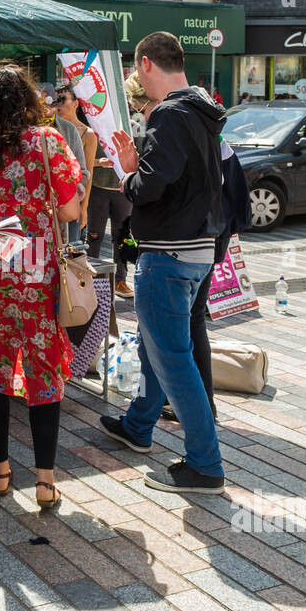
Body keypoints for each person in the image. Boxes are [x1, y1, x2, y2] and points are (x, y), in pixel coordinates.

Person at [102, 32, 228, 494]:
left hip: (169, 253)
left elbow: (150, 187)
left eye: (135, 71)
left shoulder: (171, 113)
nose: (136, 79)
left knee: (173, 358)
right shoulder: (201, 110)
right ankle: (138, 426)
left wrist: (130, 173)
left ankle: (205, 464)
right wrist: (141, 165)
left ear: (147, 63)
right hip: (196, 250)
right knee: (160, 349)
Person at [0, 64, 82, 510]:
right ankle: (46, 481)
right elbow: (70, 212)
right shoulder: (46, 142)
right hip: (35, 269)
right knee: (42, 370)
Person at [83, 79, 137, 298]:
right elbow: (83, 157)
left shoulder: (133, 124)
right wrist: (97, 163)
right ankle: (91, 280)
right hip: (98, 186)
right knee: (94, 236)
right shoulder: (93, 122)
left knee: (122, 237)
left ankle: (120, 280)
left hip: (123, 188)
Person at [39, 83, 90, 245]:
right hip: (34, 211)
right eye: (41, 107)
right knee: (35, 258)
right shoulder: (23, 131)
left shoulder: (68, 130)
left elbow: (83, 171)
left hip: (64, 209)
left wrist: (76, 190)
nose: (46, 111)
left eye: (50, 106)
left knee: (64, 259)